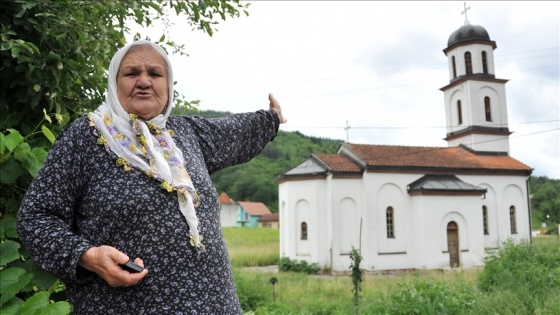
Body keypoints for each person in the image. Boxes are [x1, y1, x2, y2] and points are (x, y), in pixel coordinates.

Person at [17, 39, 286, 314]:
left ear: (168, 87)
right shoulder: (86, 137)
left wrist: (272, 117)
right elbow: (35, 217)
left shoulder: (185, 134)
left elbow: (236, 131)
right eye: (132, 73)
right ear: (114, 82)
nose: (144, 81)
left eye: (155, 74)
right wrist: (87, 256)